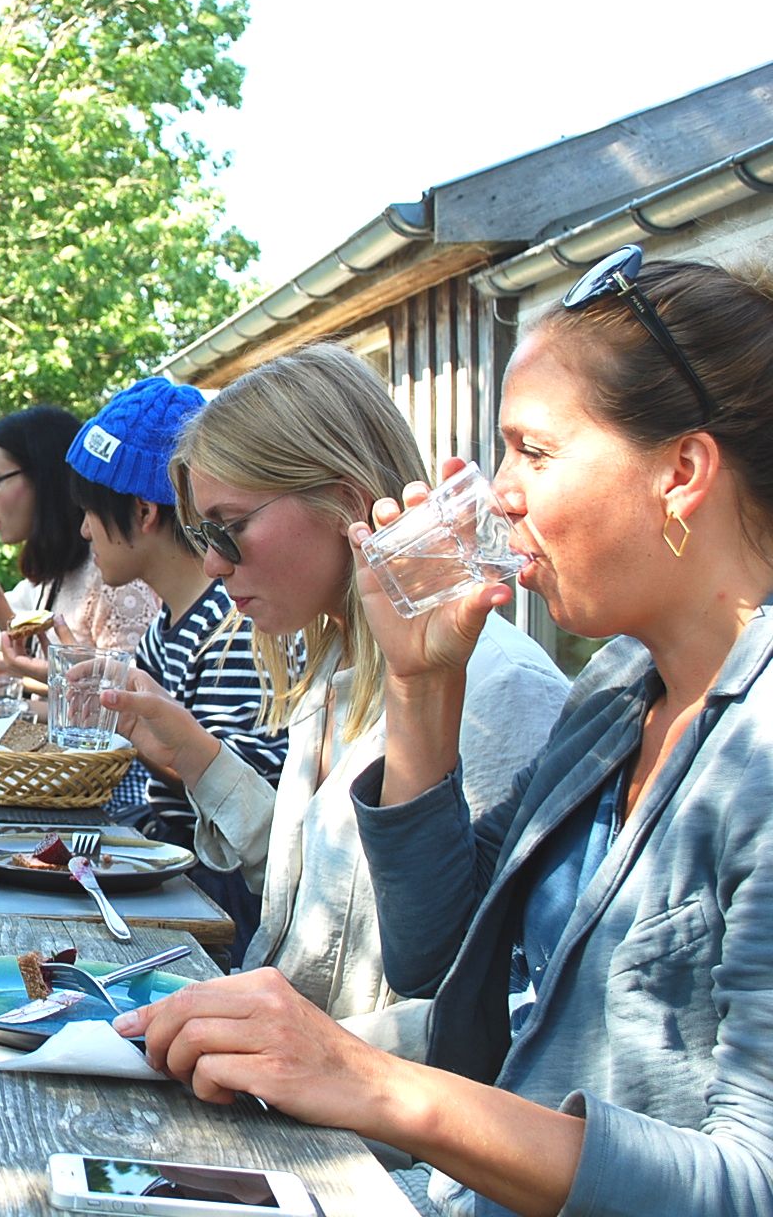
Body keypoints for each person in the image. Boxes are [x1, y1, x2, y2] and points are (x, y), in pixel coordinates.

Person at [113, 254, 773, 1217]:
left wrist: (370, 1083)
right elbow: (447, 978)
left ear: (681, 474)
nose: (495, 491)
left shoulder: (751, 749)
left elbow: (751, 1186)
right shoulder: (617, 699)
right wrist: (423, 689)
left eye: (533, 453)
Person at [104, 345, 569, 1060]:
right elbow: (318, 913)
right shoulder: (334, 660)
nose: (213, 564)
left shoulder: (496, 689)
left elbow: (504, 1008)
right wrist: (197, 760)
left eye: (228, 527)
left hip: (373, 1152)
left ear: (347, 503)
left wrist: (298, 1054)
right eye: (202, 535)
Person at [64, 379, 288, 955]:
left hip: (221, 907)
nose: (85, 529)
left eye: (91, 509)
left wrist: (170, 748)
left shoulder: (235, 622)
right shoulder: (171, 623)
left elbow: (257, 799)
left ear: (142, 511)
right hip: (177, 878)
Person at [0, 404, 159, 684]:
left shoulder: (114, 577)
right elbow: (56, 679)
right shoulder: (57, 571)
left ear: (44, 478)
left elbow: (124, 706)